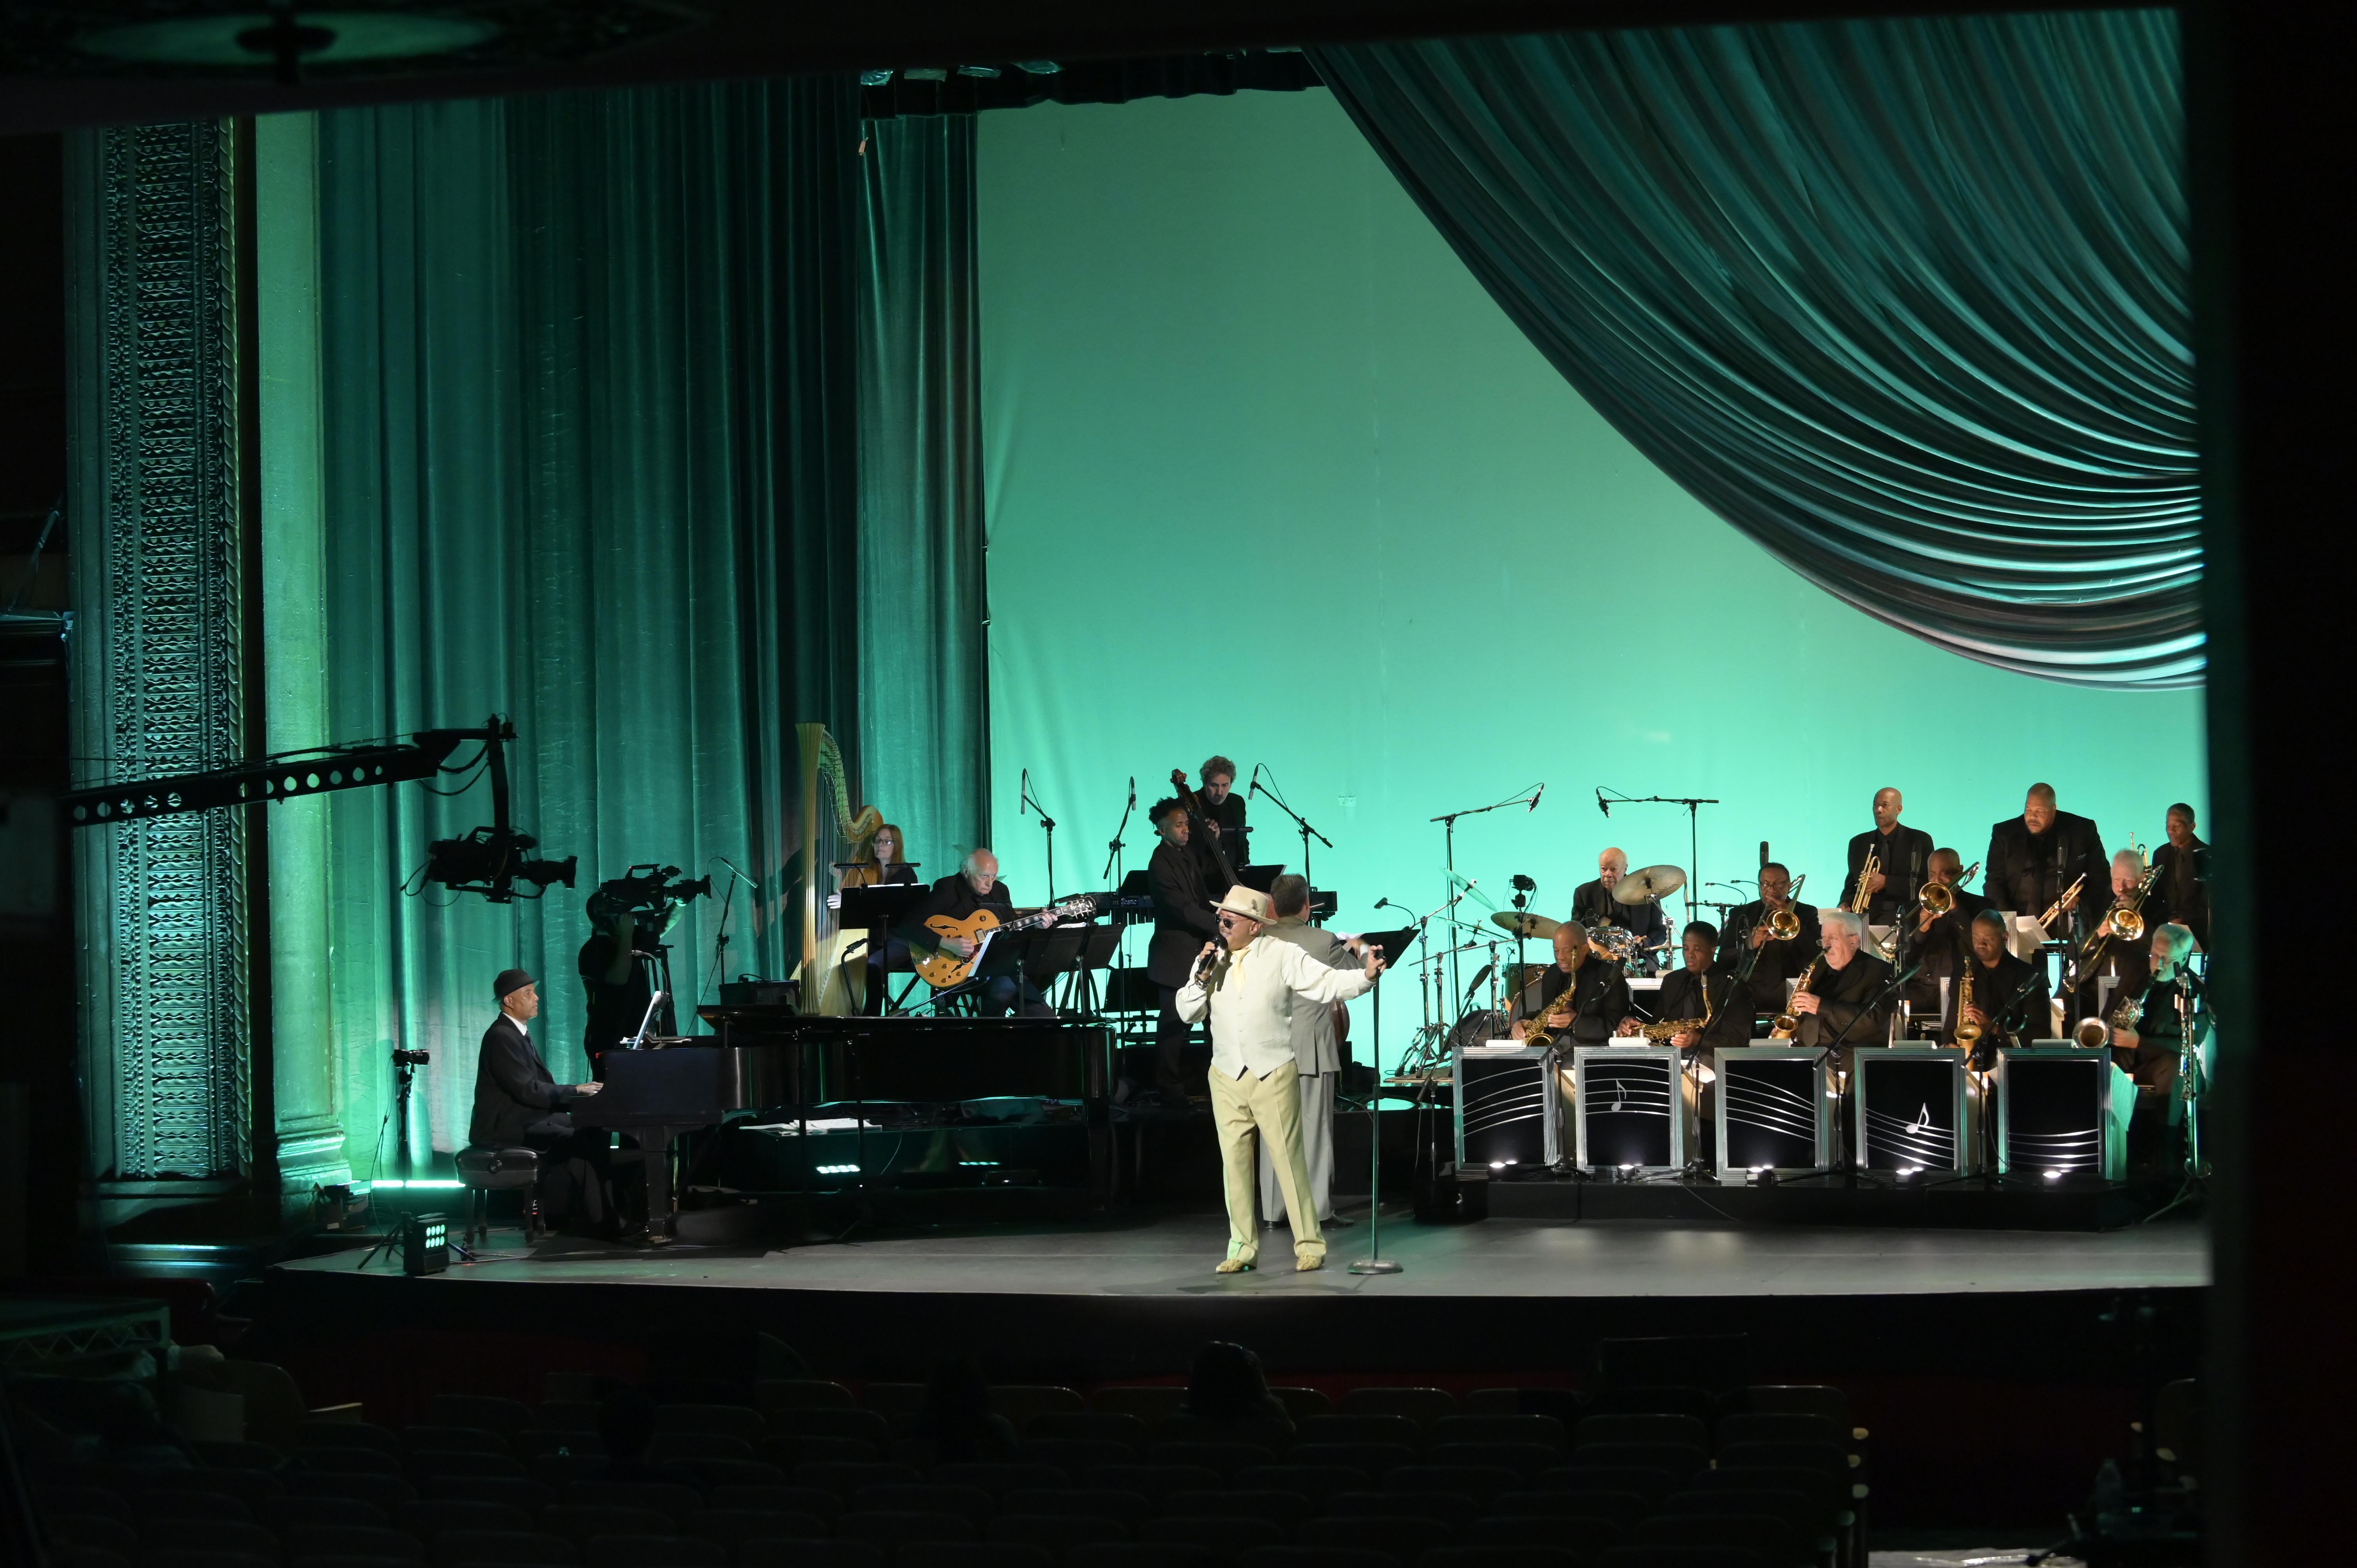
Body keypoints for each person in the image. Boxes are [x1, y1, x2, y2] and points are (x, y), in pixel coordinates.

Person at [1177, 885, 1383, 1273]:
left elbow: (1326, 983)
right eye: (1219, 918)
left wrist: (1366, 978)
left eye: (1228, 919)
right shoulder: (1212, 959)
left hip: (1271, 1070)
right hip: (1225, 1074)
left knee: (1289, 1160)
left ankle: (1309, 1243)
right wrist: (1201, 977)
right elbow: (1188, 1012)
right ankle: (1241, 1247)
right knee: (1234, 1166)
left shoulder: (1282, 954)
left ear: (1254, 926)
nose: (1220, 925)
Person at [1256, 874, 1364, 1231]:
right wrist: (1358, 946)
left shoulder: (1259, 939)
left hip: (1267, 1052)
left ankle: (1273, 1211)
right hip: (1312, 1051)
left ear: (1274, 904)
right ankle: (1317, 1211)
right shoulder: (1322, 940)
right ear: (1307, 906)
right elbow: (1356, 978)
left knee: (1274, 1132)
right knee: (1314, 1131)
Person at [468, 968, 612, 1234]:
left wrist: (577, 1097)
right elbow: (528, 1090)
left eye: (534, 992)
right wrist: (577, 1091)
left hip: (525, 1118)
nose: (536, 998)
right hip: (506, 1127)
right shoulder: (501, 1036)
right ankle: (600, 1221)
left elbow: (535, 1088)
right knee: (580, 1138)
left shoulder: (516, 1033)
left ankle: (594, 1216)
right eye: (528, 993)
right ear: (509, 1001)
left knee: (591, 1131)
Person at [2099, 922, 2206, 1171]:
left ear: (2185, 958)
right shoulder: (2136, 972)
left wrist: (2139, 1042)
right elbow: (2110, 1014)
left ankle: (2165, 1153)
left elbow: (2190, 1044)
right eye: (2155, 955)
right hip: (2125, 1058)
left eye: (2166, 959)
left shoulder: (2195, 992)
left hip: (2161, 1065)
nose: (2157, 964)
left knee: (2175, 1067)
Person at [894, 849, 1046, 1017]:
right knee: (1004, 988)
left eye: (994, 877)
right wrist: (945, 942)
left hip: (1001, 965)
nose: (990, 883)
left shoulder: (1001, 891)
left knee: (1044, 1015)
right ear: (967, 872)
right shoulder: (947, 889)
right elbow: (908, 924)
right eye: (984, 876)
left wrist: (1036, 926)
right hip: (960, 969)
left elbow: (1012, 929)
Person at [1145, 798, 1220, 1105]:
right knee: (1174, 1026)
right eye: (1180, 825)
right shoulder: (1159, 864)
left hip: (1198, 949)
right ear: (1162, 830)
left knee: (1214, 1019)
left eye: (1187, 823)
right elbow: (1183, 909)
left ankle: (1214, 1080)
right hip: (1174, 954)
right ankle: (1170, 1089)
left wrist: (1214, 841)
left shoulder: (1184, 853)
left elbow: (1206, 870)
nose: (1187, 829)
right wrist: (1220, 921)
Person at [1984, 784, 2110, 939]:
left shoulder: (2082, 830)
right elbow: (1994, 882)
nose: (2032, 817)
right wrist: (2008, 923)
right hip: (2016, 921)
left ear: (2053, 810)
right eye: (2028, 810)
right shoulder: (2004, 833)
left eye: (2040, 812)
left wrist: (2079, 901)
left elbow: (2102, 878)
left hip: (2068, 921)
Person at [1787, 910, 1895, 1073]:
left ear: (1853, 941)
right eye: (1824, 939)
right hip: (1806, 1046)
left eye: (1833, 939)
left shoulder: (1879, 970)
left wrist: (1821, 1006)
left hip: (1849, 1049)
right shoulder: (1817, 966)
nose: (1826, 945)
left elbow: (1873, 1018)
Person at [1717, 863, 1820, 1032]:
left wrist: (1794, 921)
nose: (1771, 890)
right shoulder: (1741, 914)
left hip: (1791, 989)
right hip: (1750, 989)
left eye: (1778, 884)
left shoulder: (1807, 913)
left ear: (1789, 885)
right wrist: (1750, 944)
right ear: (1759, 886)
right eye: (1765, 884)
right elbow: (1723, 959)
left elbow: (1816, 956)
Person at [577, 900, 663, 1077]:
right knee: (614, 1094)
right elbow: (619, 979)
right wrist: (626, 937)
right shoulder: (592, 950)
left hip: (638, 1033)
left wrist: (680, 903)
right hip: (609, 1037)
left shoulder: (630, 939)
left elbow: (661, 928)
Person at [1510, 922, 1632, 1045]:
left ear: (1584, 949)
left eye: (1567, 951)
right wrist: (1524, 1022)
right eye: (1556, 951)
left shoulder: (1609, 975)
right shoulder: (1552, 974)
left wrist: (1577, 1024)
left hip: (1595, 1051)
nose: (1560, 957)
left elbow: (1617, 1025)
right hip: (1556, 1050)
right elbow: (1546, 1014)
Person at [1952, 909, 2049, 1063]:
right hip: (1968, 1062)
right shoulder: (1962, 974)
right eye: (1976, 938)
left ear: (2005, 937)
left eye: (1988, 939)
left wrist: (1994, 1028)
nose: (1981, 944)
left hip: (2012, 1063)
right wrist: (1948, 1045)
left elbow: (2040, 1033)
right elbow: (1951, 1024)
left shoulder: (2030, 976)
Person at [2072, 848, 2154, 1029]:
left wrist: (2139, 915)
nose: (2121, 887)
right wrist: (2098, 933)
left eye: (2129, 881)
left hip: (2133, 984)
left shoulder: (2156, 906)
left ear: (2142, 878)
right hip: (2091, 982)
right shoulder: (2092, 902)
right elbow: (2073, 950)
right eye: (2116, 879)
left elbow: (2159, 947)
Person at [1908, 848, 1989, 1019]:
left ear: (1960, 871)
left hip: (1959, 989)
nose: (1937, 881)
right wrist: (1922, 931)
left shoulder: (1981, 907)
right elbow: (1906, 959)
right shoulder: (1916, 908)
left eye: (1944, 874)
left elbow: (1981, 950)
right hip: (1918, 988)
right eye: (1932, 875)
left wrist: (1957, 910)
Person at [1845, 787, 1936, 934]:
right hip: (1866, 918)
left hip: (1905, 915)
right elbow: (1852, 885)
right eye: (1875, 805)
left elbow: (1926, 884)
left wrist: (1887, 882)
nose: (1878, 810)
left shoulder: (1919, 840)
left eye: (1885, 805)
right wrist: (1845, 903)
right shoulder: (1858, 843)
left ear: (1899, 809)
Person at [1572, 847, 1668, 969]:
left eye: (1614, 869)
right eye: (1603, 869)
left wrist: (1644, 943)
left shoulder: (1647, 892)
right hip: (1597, 961)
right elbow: (1575, 932)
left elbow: (1660, 932)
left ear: (1625, 868)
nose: (1608, 874)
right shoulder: (1585, 893)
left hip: (1640, 958)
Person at [2147, 803, 2210, 952]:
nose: (2171, 831)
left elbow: (2207, 900)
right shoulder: (2161, 854)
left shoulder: (2206, 855)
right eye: (2168, 825)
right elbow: (2156, 897)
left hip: (2197, 928)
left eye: (2177, 826)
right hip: (2166, 925)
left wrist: (2182, 921)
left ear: (2192, 827)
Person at [1192, 756, 1251, 882]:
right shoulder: (1190, 804)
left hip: (1235, 874)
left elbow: (1242, 841)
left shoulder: (1237, 802)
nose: (1220, 792)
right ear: (1204, 783)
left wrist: (1246, 871)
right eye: (1214, 785)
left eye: (1225, 785)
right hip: (1202, 876)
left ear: (1231, 784)